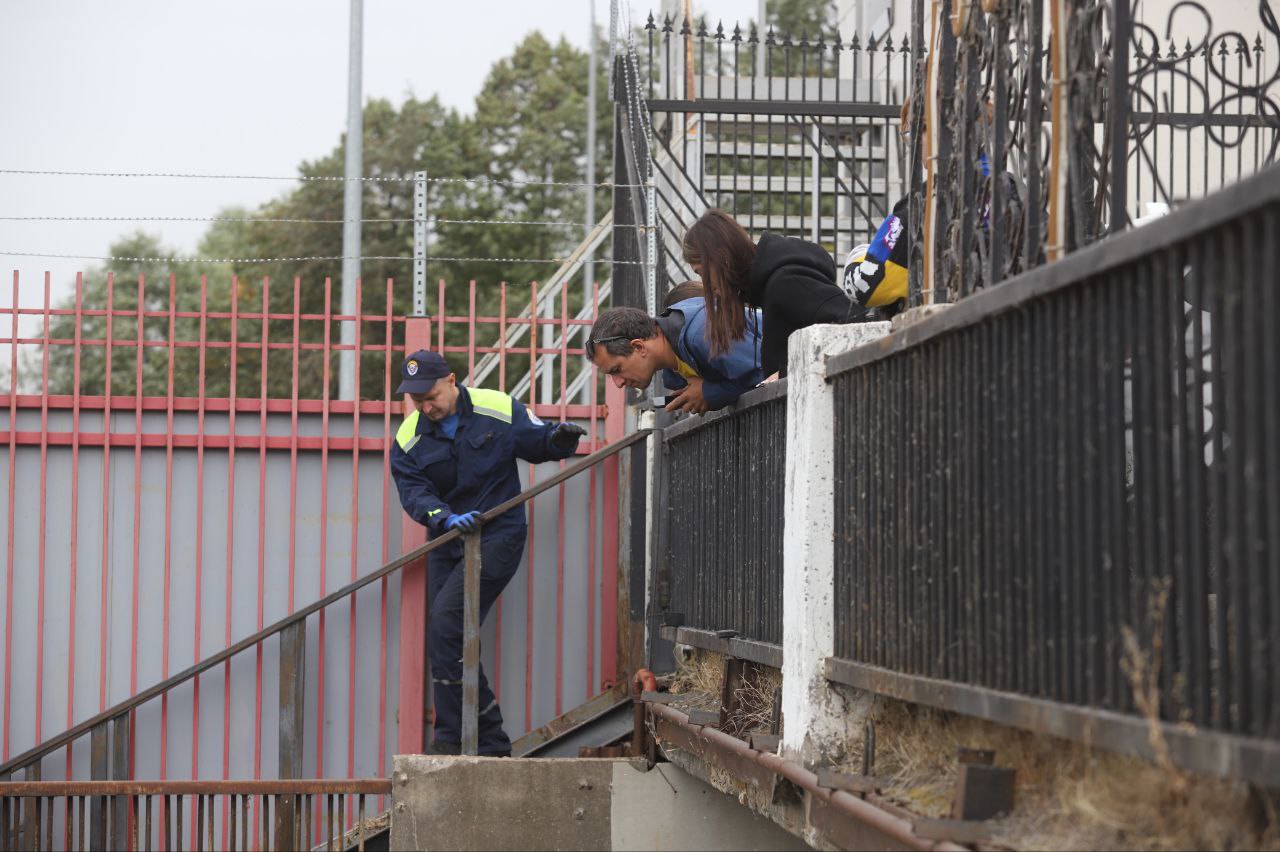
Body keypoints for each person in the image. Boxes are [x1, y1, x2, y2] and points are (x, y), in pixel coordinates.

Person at [390, 349, 586, 756]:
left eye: (431, 396)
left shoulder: (496, 407)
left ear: (451, 379)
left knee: (448, 622)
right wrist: (442, 517)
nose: (427, 406)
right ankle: (481, 739)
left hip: (499, 533)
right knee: (448, 633)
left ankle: (456, 739)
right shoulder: (409, 437)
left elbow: (539, 441)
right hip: (448, 538)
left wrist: (560, 440)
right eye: (417, 400)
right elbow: (413, 492)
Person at [681, 209, 854, 378]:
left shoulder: (785, 282)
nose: (705, 286)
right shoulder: (771, 287)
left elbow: (852, 323)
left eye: (701, 273)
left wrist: (786, 373)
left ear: (721, 258)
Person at [586, 291, 764, 414]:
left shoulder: (702, 333)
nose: (618, 383)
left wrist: (710, 393)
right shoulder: (674, 368)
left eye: (616, 370)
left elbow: (769, 373)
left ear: (639, 347)